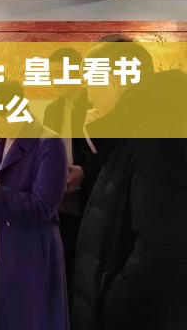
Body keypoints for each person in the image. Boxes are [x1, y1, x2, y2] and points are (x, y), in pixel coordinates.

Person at [73, 40, 187, 330]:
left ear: (115, 81)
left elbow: (160, 250)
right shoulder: (140, 126)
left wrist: (111, 306)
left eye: (91, 82)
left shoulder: (160, 133)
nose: (88, 94)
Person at [0, 80, 69, 330]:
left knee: (25, 318)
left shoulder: (49, 143)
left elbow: (43, 207)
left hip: (28, 252)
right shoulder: (0, 138)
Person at [43, 47, 100, 318]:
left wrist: (84, 172)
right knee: (60, 261)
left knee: (83, 267)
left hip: (89, 197)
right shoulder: (53, 108)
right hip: (58, 195)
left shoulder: (93, 105)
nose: (55, 80)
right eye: (52, 74)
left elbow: (108, 157)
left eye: (60, 73)